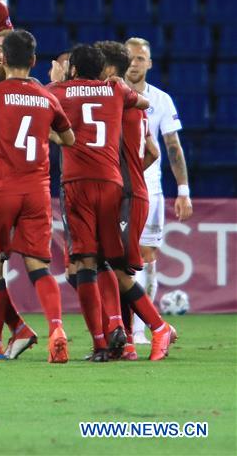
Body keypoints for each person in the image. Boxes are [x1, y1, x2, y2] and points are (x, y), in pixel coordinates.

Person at [0, 29, 75, 363]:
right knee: (38, 266)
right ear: (33, 60)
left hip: (0, 188)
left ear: (4, 59)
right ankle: (56, 330)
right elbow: (69, 139)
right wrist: (40, 128)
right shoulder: (46, 96)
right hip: (37, 190)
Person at [48, 44, 149, 362]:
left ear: (73, 69)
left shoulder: (59, 91)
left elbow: (35, 105)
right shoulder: (115, 90)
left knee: (85, 264)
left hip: (77, 183)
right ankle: (118, 325)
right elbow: (143, 102)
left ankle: (100, 343)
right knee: (108, 260)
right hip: (111, 183)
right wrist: (119, 87)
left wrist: (56, 80)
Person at [97, 41, 176, 361]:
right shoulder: (134, 102)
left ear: (108, 68)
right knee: (115, 266)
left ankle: (158, 327)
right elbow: (153, 152)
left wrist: (123, 176)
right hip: (131, 191)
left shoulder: (115, 99)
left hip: (128, 195)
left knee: (118, 269)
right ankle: (127, 341)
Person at [124, 37, 193, 344]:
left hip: (149, 187)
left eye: (140, 58)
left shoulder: (161, 100)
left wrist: (183, 190)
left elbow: (173, 147)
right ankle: (119, 328)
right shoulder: (110, 94)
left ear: (149, 63)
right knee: (115, 258)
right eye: (129, 57)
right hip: (115, 184)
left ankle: (141, 330)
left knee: (147, 254)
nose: (134, 63)